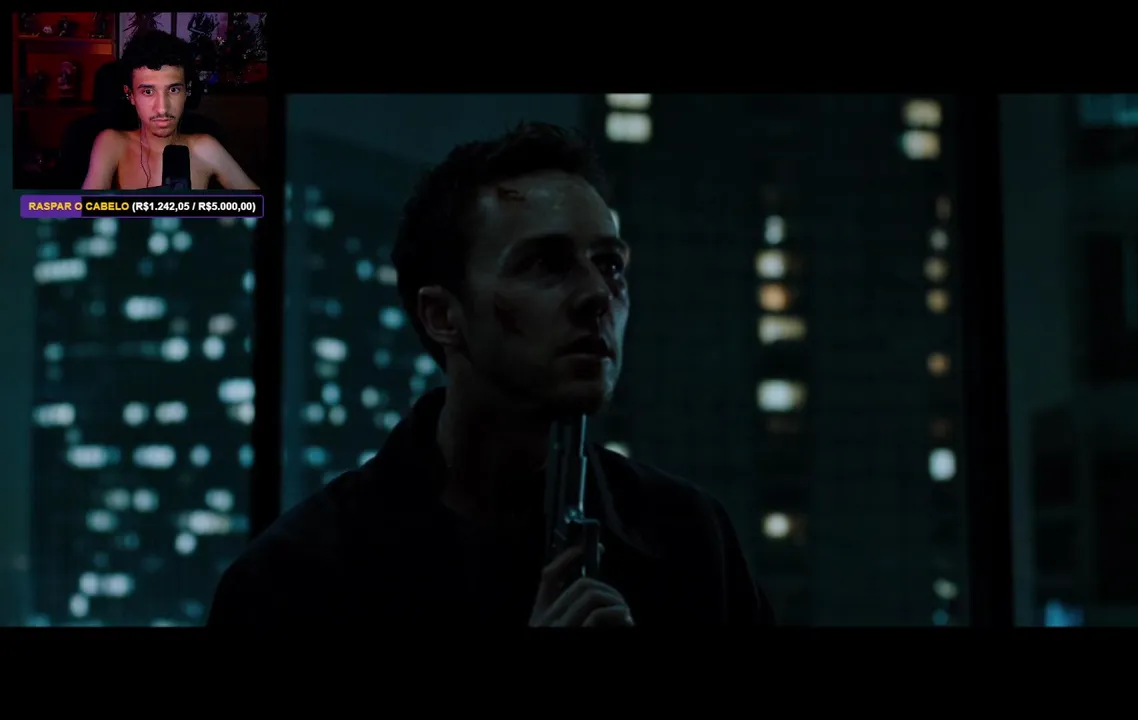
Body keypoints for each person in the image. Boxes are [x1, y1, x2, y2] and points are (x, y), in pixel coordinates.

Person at [207, 122, 774, 626]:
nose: (598, 295)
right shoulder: (296, 579)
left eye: (610, 264)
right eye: (546, 264)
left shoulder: (691, 540)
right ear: (443, 316)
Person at [81, 30, 256, 191]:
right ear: (130, 95)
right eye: (148, 92)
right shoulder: (113, 143)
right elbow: (80, 210)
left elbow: (260, 205)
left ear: (187, 90)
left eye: (173, 90)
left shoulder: (205, 148)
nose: (162, 108)